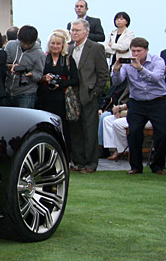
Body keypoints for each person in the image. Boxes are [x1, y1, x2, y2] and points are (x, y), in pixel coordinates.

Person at [110, 37, 166, 175]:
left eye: (139, 51)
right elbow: (117, 82)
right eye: (133, 51)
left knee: (163, 133)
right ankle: (135, 166)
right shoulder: (128, 63)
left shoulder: (157, 61)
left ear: (146, 50)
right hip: (137, 102)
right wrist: (116, 71)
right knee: (134, 132)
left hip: (158, 101)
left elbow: (156, 78)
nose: (135, 54)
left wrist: (140, 68)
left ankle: (157, 165)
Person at [68, 19, 111, 173]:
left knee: (90, 129)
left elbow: (103, 73)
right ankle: (78, 161)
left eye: (77, 30)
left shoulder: (95, 48)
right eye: (73, 30)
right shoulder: (70, 48)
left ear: (86, 31)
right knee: (76, 129)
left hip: (89, 94)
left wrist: (95, 92)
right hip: (73, 96)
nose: (74, 33)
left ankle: (91, 163)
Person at [36, 30, 80, 145]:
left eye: (58, 44)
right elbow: (36, 76)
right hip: (44, 98)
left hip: (62, 99)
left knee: (63, 128)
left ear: (62, 45)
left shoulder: (68, 59)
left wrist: (60, 84)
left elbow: (75, 79)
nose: (55, 46)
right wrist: (44, 78)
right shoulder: (44, 58)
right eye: (53, 43)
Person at [4, 25, 44, 108]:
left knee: (25, 120)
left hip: (26, 93)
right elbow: (3, 63)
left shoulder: (39, 54)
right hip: (7, 89)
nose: (25, 46)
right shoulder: (11, 45)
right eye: (22, 43)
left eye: (28, 44)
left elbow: (39, 75)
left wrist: (31, 74)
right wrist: (10, 66)